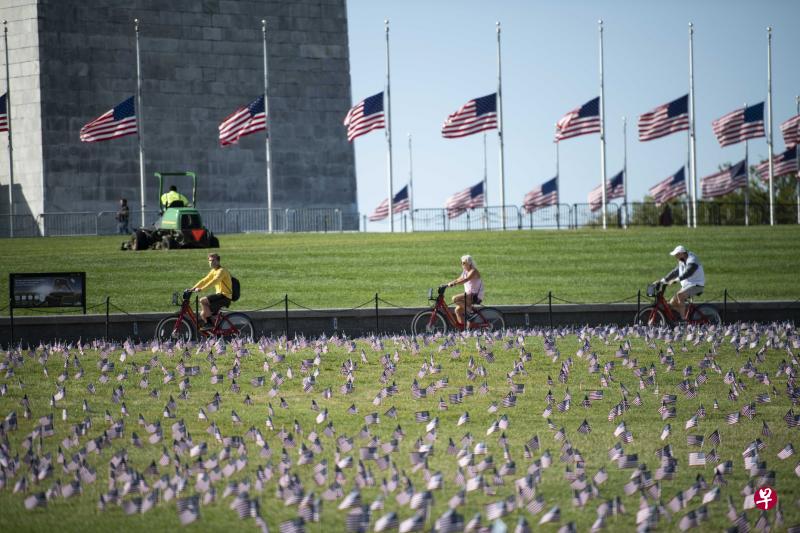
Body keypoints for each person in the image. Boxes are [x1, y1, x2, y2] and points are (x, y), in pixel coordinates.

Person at [657, 245, 705, 320]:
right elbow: (675, 271)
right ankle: (685, 313)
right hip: (687, 285)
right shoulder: (682, 260)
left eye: (676, 254)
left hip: (696, 285)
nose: (675, 256)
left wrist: (676, 280)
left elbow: (688, 273)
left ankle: (683, 320)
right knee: (672, 303)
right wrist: (663, 280)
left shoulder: (692, 259)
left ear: (681, 253)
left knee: (680, 295)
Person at [191, 253, 233, 329]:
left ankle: (210, 324)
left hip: (225, 296)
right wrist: (192, 288)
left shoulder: (221, 271)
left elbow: (214, 281)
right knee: (203, 314)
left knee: (203, 300)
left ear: (218, 261)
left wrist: (201, 289)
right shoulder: (213, 271)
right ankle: (213, 329)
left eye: (213, 260)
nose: (211, 262)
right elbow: (205, 280)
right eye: (209, 261)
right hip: (220, 295)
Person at [444, 255, 484, 326]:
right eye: (461, 263)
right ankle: (463, 330)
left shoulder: (473, 271)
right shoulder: (465, 271)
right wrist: (447, 284)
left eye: (463, 263)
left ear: (469, 263)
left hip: (475, 295)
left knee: (455, 298)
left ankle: (470, 312)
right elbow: (458, 279)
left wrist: (454, 284)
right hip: (469, 295)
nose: (462, 264)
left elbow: (465, 280)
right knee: (457, 311)